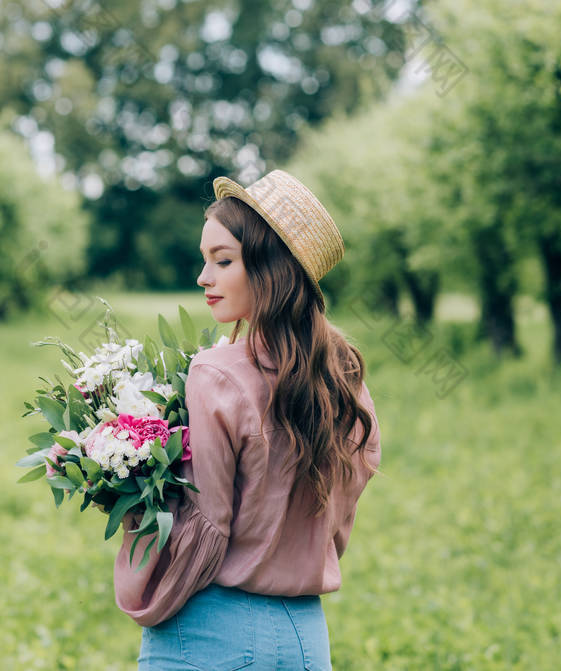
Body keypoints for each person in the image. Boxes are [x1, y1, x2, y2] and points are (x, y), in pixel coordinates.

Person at [113, 169, 382, 671]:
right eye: (204, 261)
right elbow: (337, 524)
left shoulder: (216, 373)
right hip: (306, 637)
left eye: (223, 261)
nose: (204, 278)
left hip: (211, 634)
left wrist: (129, 491)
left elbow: (208, 526)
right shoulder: (346, 379)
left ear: (269, 268)